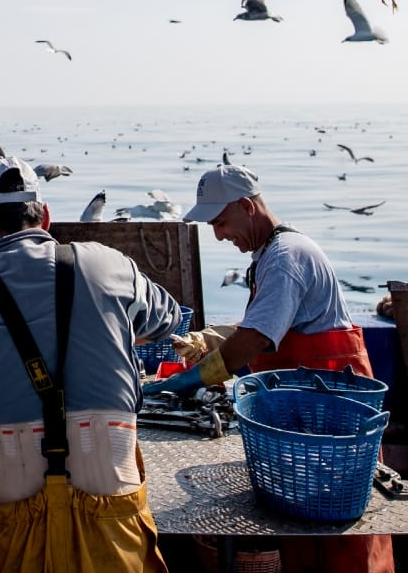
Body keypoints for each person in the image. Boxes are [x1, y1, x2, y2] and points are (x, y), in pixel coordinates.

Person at [0, 156, 182, 573]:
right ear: (46, 215)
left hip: (14, 530)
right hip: (114, 526)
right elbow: (170, 319)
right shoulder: (111, 265)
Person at [160, 163, 394, 573]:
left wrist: (192, 379)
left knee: (344, 530)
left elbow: (254, 340)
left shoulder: (285, 257)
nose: (218, 235)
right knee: (304, 522)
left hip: (334, 417)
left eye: (220, 222)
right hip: (308, 414)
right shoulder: (272, 252)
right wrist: (208, 338)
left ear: (247, 206)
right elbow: (262, 324)